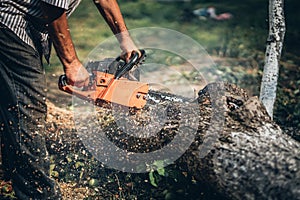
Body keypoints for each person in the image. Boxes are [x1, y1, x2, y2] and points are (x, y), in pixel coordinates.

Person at [0, 0, 139, 199]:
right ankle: (37, 193)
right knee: (27, 106)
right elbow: (53, 7)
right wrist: (71, 62)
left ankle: (7, 170)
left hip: (30, 22)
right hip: (10, 20)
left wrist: (124, 38)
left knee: (10, 97)